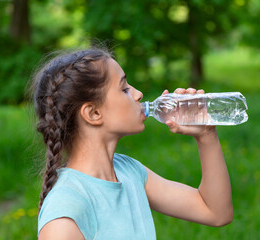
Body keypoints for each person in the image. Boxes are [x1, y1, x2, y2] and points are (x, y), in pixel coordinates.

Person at [29, 48, 233, 240]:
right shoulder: (65, 214)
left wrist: (206, 136)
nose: (138, 94)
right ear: (94, 113)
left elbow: (216, 212)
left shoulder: (129, 172)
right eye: (125, 89)